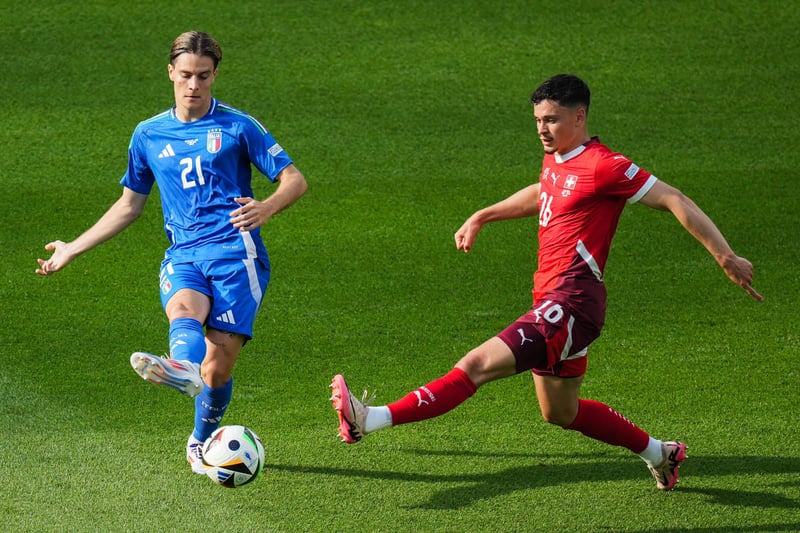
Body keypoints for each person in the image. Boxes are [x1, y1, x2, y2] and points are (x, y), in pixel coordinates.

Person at [330, 73, 762, 491]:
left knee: (475, 366)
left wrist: (725, 256)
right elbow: (546, 189)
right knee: (560, 412)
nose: (542, 129)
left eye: (551, 119)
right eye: (538, 120)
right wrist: (484, 215)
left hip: (570, 303)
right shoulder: (558, 158)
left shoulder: (605, 166)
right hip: (559, 304)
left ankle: (369, 418)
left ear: (580, 116)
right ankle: (660, 453)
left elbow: (673, 198)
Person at [36, 31, 307, 474]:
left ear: (214, 75)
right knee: (183, 310)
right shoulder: (148, 134)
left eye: (203, 75)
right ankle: (181, 366)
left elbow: (294, 179)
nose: (193, 85)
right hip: (184, 253)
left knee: (218, 370)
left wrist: (267, 207)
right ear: (170, 73)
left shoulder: (238, 126)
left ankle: (200, 436)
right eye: (185, 75)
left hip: (236, 257)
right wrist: (72, 248)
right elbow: (129, 205)